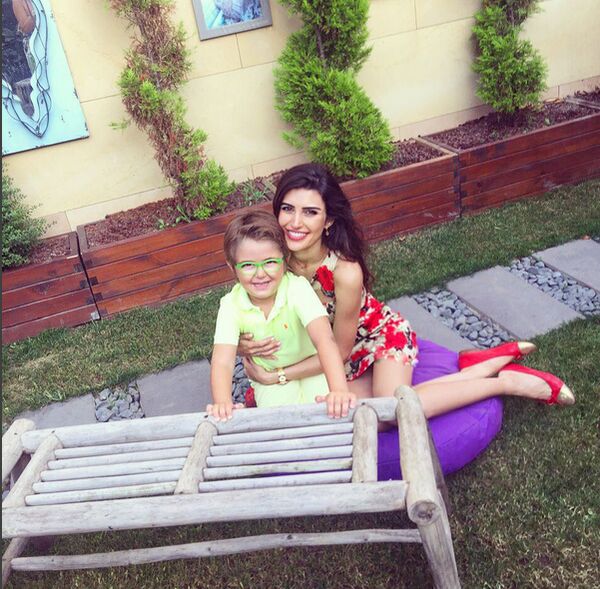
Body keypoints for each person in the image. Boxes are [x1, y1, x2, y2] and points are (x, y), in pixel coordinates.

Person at [239, 163, 575, 416]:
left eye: (310, 212)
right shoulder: (272, 257)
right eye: (287, 209)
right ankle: (479, 367)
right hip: (328, 352)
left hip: (375, 338)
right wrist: (245, 344)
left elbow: (339, 351)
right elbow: (251, 312)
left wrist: (278, 376)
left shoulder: (345, 271)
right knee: (337, 410)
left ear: (328, 220)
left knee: (392, 412)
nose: (294, 223)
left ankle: (504, 382)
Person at [208, 209, 356, 422]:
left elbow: (324, 339)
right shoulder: (231, 305)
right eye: (248, 265)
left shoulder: (297, 288)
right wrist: (223, 402)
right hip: (270, 380)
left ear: (285, 260)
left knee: (331, 414)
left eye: (270, 262)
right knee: (281, 425)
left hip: (314, 369)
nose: (260, 274)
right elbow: (222, 361)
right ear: (233, 267)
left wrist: (339, 390)